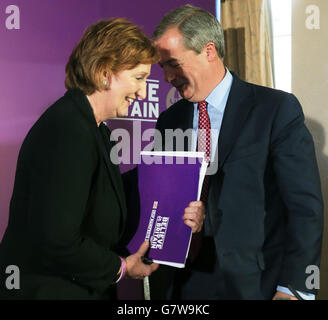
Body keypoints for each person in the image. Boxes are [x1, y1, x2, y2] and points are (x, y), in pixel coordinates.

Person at [150, 5, 324, 300]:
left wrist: (295, 288)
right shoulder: (170, 120)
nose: (167, 77)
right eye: (162, 67)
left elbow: (305, 209)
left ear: (208, 51)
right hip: (184, 284)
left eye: (174, 64)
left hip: (256, 285)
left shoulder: (275, 110)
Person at [0, 18, 164, 300]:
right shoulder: (68, 130)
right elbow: (57, 240)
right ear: (104, 72)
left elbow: (100, 214)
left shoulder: (94, 129)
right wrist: (120, 267)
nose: (143, 91)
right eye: (138, 77)